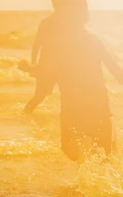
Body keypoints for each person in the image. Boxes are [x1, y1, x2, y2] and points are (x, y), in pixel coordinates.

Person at [45, 1, 123, 162]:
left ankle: (91, 178)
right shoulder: (88, 40)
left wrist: (32, 71)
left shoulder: (60, 43)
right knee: (101, 149)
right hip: (91, 102)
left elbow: (48, 73)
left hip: (77, 103)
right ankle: (97, 179)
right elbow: (116, 71)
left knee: (73, 147)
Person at [18, 0, 80, 114]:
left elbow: (37, 43)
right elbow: (37, 43)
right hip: (49, 65)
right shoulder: (54, 22)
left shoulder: (52, 22)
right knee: (40, 96)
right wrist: (34, 63)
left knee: (63, 95)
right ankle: (25, 116)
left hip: (60, 65)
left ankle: (68, 119)